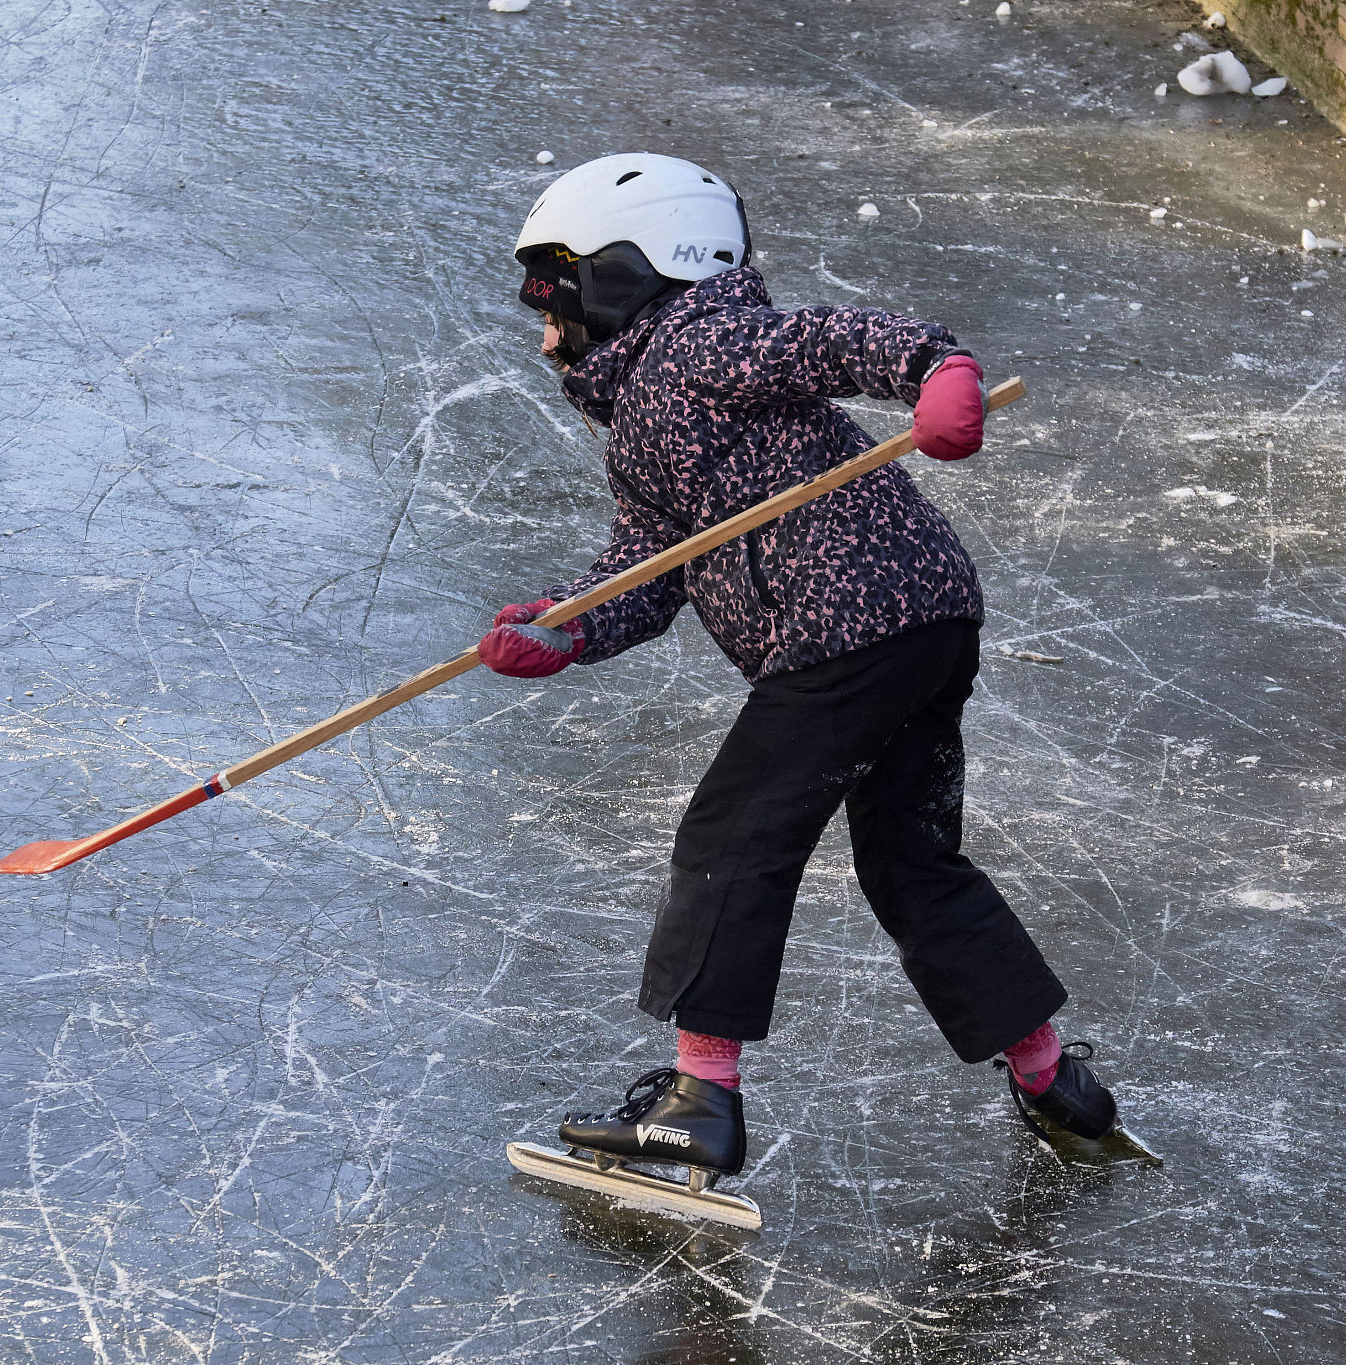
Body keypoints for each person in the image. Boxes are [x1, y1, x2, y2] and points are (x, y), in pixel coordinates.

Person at [486, 153, 1135, 1195]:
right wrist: (568, 627)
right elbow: (651, 565)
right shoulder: (644, 417)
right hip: (923, 618)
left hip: (851, 623)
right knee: (910, 861)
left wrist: (936, 370)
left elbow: (831, 340)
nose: (545, 331)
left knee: (732, 834)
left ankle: (700, 1100)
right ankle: (1051, 1075)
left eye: (555, 300)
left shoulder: (700, 342)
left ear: (629, 273)